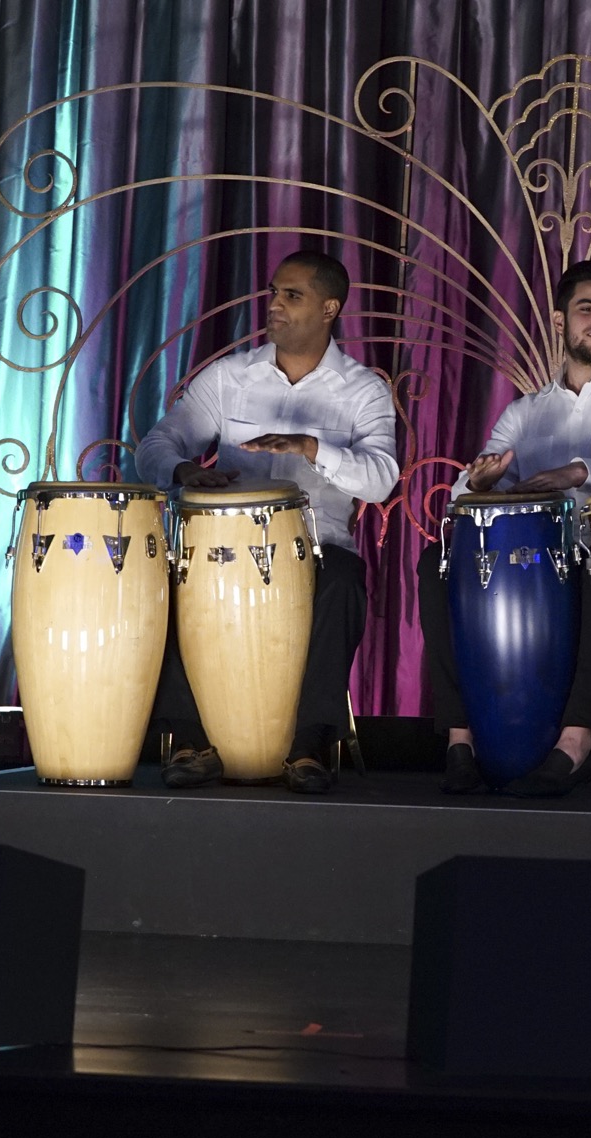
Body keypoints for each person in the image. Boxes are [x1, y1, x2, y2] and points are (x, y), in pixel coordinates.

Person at [417, 260, 591, 798]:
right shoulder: (525, 413)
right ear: (560, 322)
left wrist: (578, 472)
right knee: (436, 564)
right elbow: (465, 495)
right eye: (588, 308)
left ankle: (576, 744)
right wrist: (479, 484)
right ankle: (460, 740)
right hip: (538, 569)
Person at [136, 250, 398, 795]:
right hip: (222, 551)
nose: (274, 304)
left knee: (345, 580)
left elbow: (380, 479)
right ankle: (188, 741)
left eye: (291, 295)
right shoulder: (229, 377)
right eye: (274, 292)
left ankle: (310, 745)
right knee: (159, 578)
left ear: (329, 309)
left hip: (316, 549)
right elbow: (158, 444)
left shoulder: (363, 390)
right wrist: (184, 469)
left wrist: (312, 447)